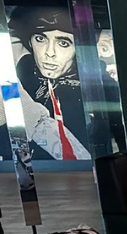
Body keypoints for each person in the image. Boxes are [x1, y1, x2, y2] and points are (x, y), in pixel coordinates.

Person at [10, 6, 89, 160]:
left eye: (64, 43)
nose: (50, 53)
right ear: (30, 42)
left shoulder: (93, 89)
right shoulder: (21, 71)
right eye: (40, 39)